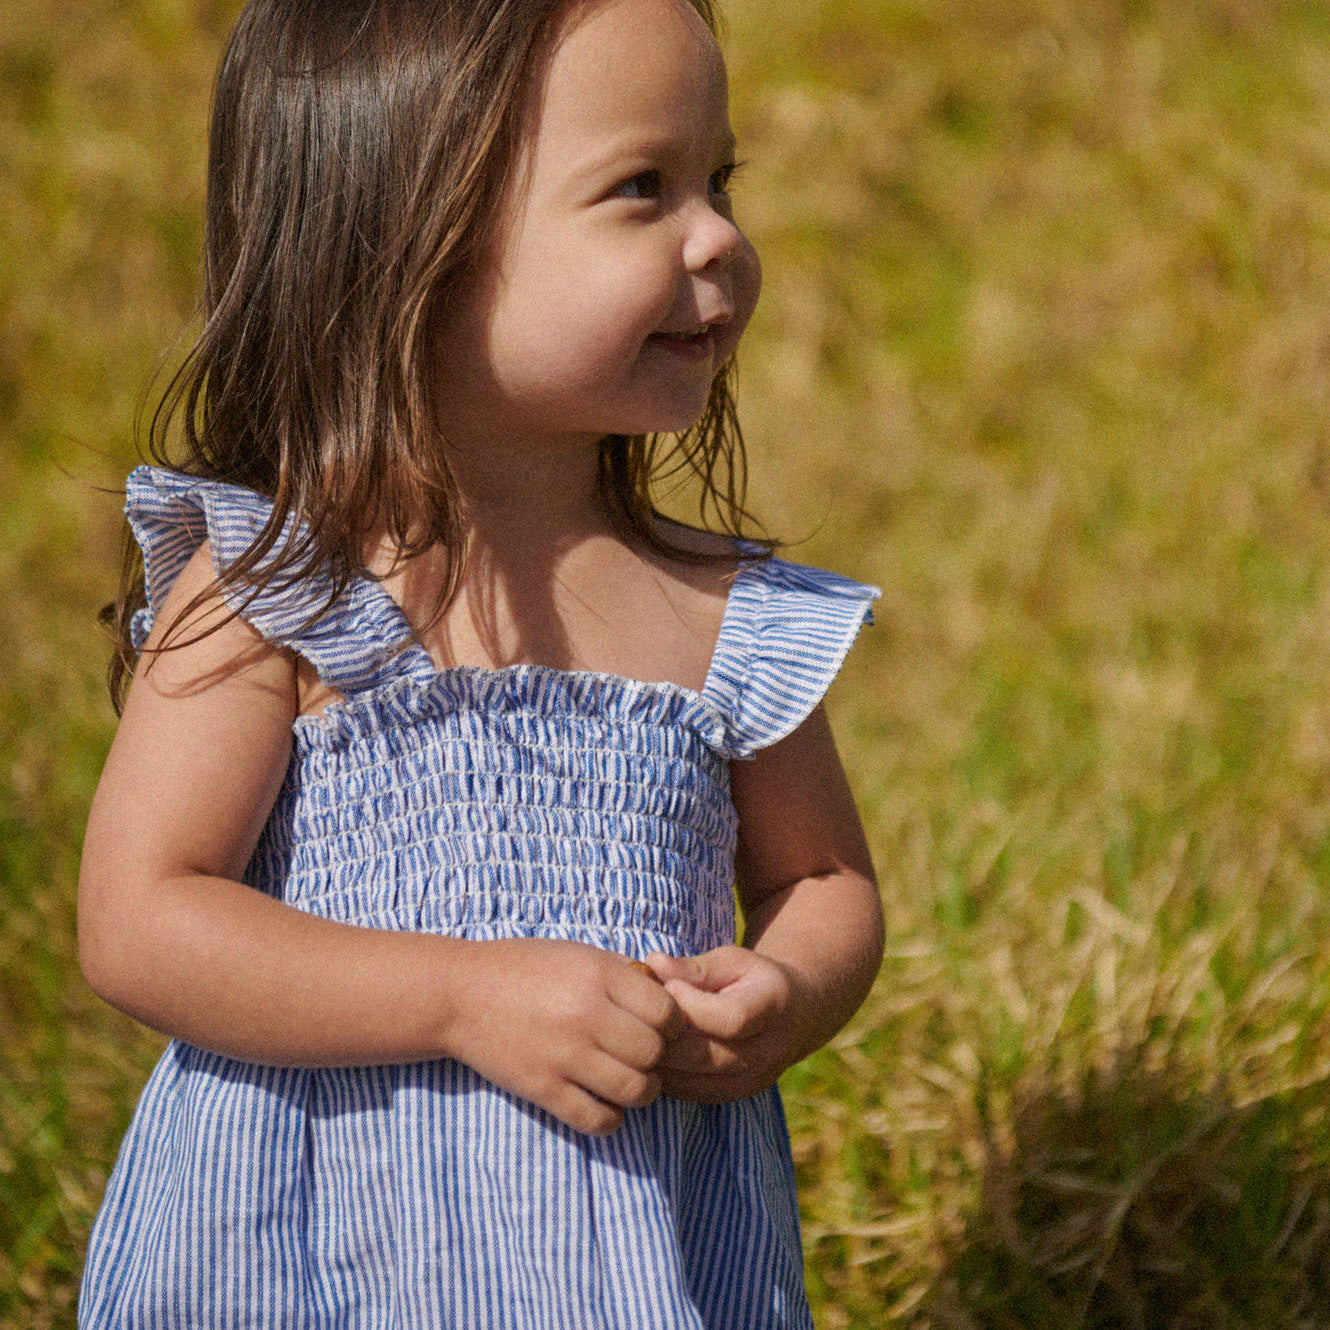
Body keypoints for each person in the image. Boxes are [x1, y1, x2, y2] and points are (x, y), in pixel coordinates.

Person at [76, 0, 884, 1323]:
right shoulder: (285, 581)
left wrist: (786, 988)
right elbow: (139, 916)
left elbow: (821, 874)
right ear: (414, 241)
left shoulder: (717, 608)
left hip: (629, 1258)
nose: (720, 238)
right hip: (309, 1255)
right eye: (642, 187)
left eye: (717, 178)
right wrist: (459, 997)